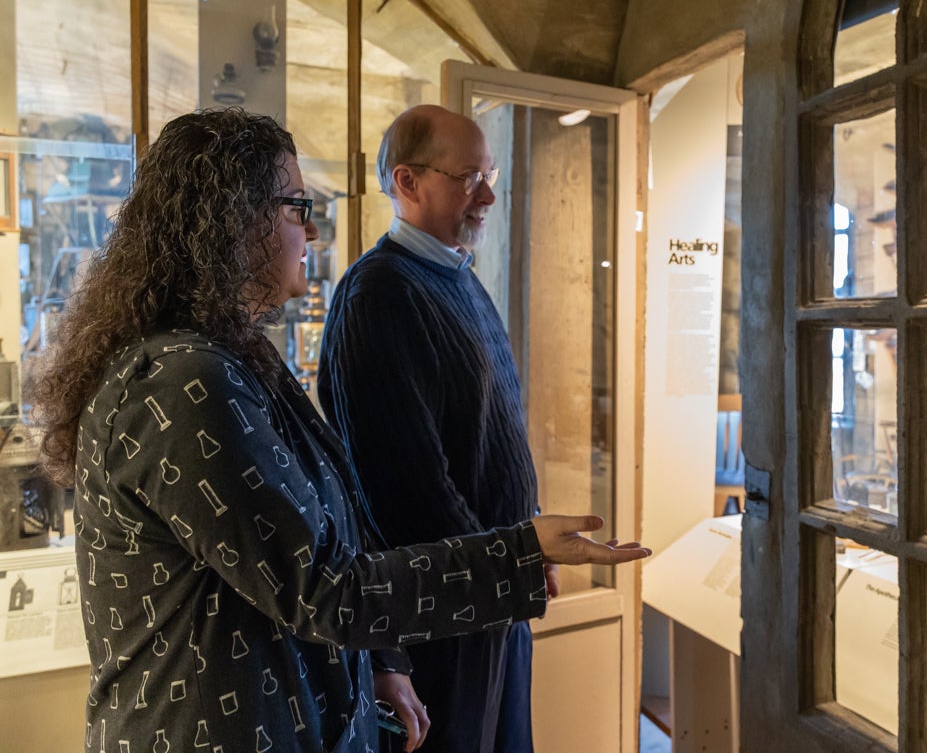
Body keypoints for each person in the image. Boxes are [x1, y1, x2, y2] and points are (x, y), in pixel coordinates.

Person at [29, 107, 648, 753]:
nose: (313, 234)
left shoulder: (226, 357)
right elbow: (327, 585)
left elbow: (325, 531)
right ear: (234, 221)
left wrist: (380, 660)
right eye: (298, 207)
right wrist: (514, 555)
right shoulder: (186, 382)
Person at [318, 104, 542, 752]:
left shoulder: (457, 276)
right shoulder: (379, 295)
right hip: (444, 616)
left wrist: (522, 551)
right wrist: (506, 565)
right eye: (471, 177)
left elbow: (492, 438)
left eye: (490, 175)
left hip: (490, 601)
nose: (490, 195)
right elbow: (405, 490)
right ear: (408, 183)